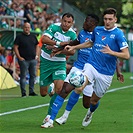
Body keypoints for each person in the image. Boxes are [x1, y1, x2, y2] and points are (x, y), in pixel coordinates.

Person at [41, 13, 125, 128]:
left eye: (87, 22)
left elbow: (113, 56)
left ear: (93, 24)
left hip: (100, 71)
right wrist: (59, 49)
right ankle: (55, 118)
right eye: (85, 21)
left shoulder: (104, 34)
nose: (84, 23)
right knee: (66, 89)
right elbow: (72, 44)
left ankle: (90, 112)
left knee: (88, 103)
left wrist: (118, 71)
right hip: (84, 67)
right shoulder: (83, 34)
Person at [65, 7, 130, 127]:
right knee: (79, 86)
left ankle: (90, 112)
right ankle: (64, 116)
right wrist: (74, 47)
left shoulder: (118, 34)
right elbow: (90, 43)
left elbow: (126, 55)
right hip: (92, 65)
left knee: (93, 101)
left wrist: (112, 52)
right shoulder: (98, 30)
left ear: (115, 19)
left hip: (106, 73)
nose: (107, 21)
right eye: (105, 19)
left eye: (110, 19)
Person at [37, 12, 77, 126]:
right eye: (64, 21)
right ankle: (50, 88)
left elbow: (72, 51)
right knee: (43, 93)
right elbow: (44, 39)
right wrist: (61, 43)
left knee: (59, 90)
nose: (66, 24)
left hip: (59, 63)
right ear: (61, 20)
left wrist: (57, 48)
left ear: (72, 23)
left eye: (69, 22)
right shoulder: (54, 27)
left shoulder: (73, 34)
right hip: (46, 61)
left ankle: (49, 116)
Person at [14, 22, 38, 97]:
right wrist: (19, 57)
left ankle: (31, 91)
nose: (27, 29)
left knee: (33, 75)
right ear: (23, 28)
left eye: (28, 27)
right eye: (25, 27)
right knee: (23, 75)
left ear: (30, 28)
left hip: (33, 59)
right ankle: (23, 92)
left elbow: (37, 45)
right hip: (24, 60)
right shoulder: (19, 37)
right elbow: (15, 47)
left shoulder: (33, 36)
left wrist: (37, 55)